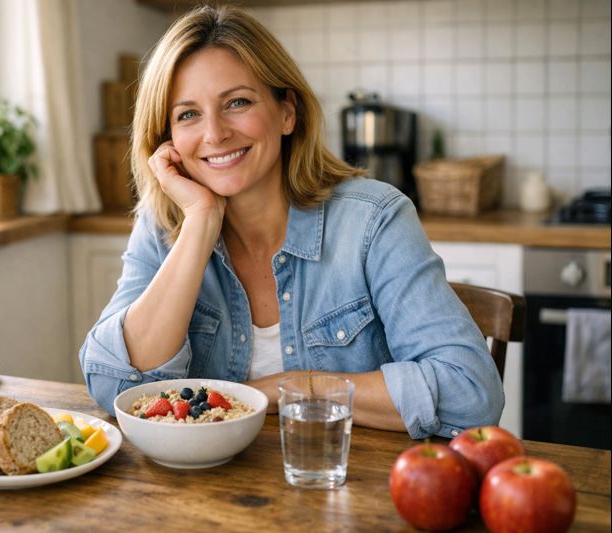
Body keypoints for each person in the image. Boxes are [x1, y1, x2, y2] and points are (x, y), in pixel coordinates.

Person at [79, 4, 503, 439]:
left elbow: (471, 393)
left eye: (237, 102)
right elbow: (114, 384)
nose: (215, 133)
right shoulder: (164, 224)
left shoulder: (374, 220)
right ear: (167, 138)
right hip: (203, 495)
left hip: (349, 487)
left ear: (287, 112)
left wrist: (293, 388)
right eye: (188, 114)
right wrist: (202, 221)